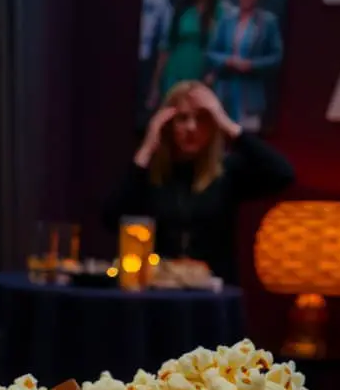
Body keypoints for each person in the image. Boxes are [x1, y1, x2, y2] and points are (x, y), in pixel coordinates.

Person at [104, 80, 293, 285]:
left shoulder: (228, 171)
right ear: (168, 125)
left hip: (214, 292)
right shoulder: (151, 174)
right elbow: (110, 217)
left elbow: (283, 174)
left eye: (202, 119)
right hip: (160, 288)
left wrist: (227, 124)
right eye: (182, 119)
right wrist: (147, 149)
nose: (191, 127)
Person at [207, 0, 283, 131]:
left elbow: (276, 58)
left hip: (250, 96)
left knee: (246, 145)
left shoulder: (268, 22)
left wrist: (251, 65)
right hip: (224, 92)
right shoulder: (226, 19)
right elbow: (211, 53)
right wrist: (226, 61)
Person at [146, 0, 220, 112]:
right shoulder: (182, 9)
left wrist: (213, 74)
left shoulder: (220, 13)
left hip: (202, 78)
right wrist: (155, 86)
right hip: (174, 73)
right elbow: (166, 48)